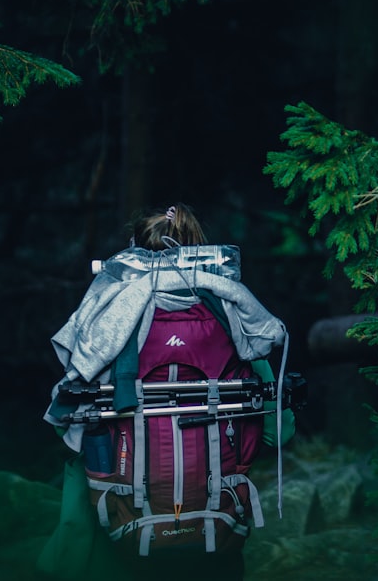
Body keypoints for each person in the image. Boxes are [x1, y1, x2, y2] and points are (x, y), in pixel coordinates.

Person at [37, 204, 296, 581]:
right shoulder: (240, 327)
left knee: (82, 472)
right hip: (215, 532)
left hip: (121, 532)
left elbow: (68, 427)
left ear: (131, 253)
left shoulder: (106, 328)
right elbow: (279, 432)